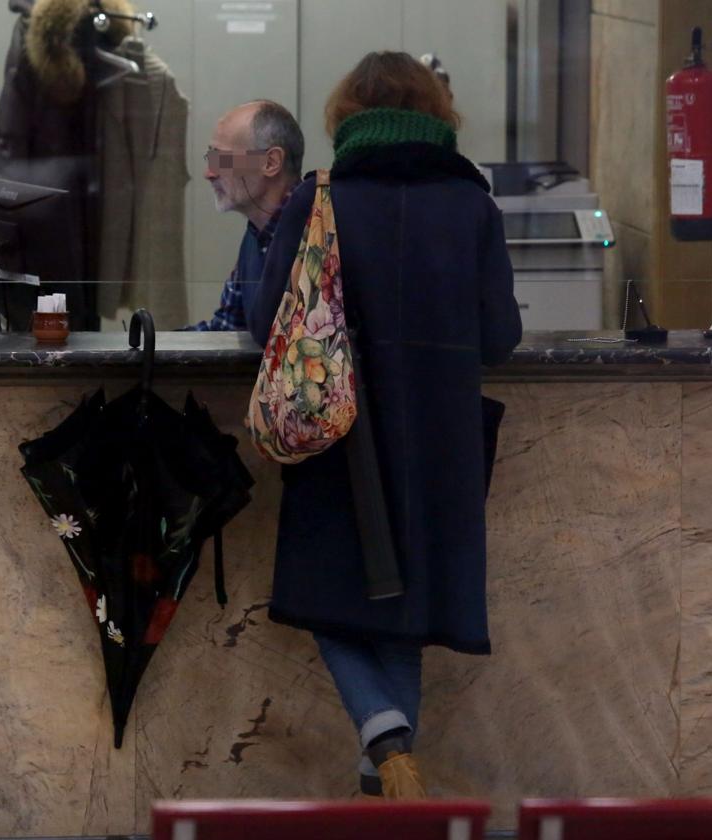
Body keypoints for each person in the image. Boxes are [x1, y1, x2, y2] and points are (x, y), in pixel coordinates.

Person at [248, 52, 523, 799]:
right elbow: (501, 337)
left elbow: (262, 317)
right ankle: (389, 784)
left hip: (337, 430)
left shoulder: (321, 198)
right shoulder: (472, 205)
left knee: (322, 593)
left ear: (346, 118)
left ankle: (382, 734)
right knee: (406, 615)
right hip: (439, 440)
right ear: (437, 115)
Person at [185, 100, 303, 331]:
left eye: (223, 159)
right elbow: (227, 329)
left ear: (271, 162)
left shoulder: (317, 236)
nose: (209, 173)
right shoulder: (257, 236)